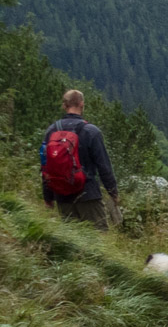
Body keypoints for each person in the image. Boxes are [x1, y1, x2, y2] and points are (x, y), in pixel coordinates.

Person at [40, 89, 121, 228]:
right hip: (88, 195)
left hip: (62, 194)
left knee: (71, 242)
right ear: (82, 104)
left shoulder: (52, 131)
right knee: (98, 239)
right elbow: (104, 166)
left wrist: (48, 197)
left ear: (64, 106)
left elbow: (45, 165)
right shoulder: (91, 131)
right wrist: (113, 193)